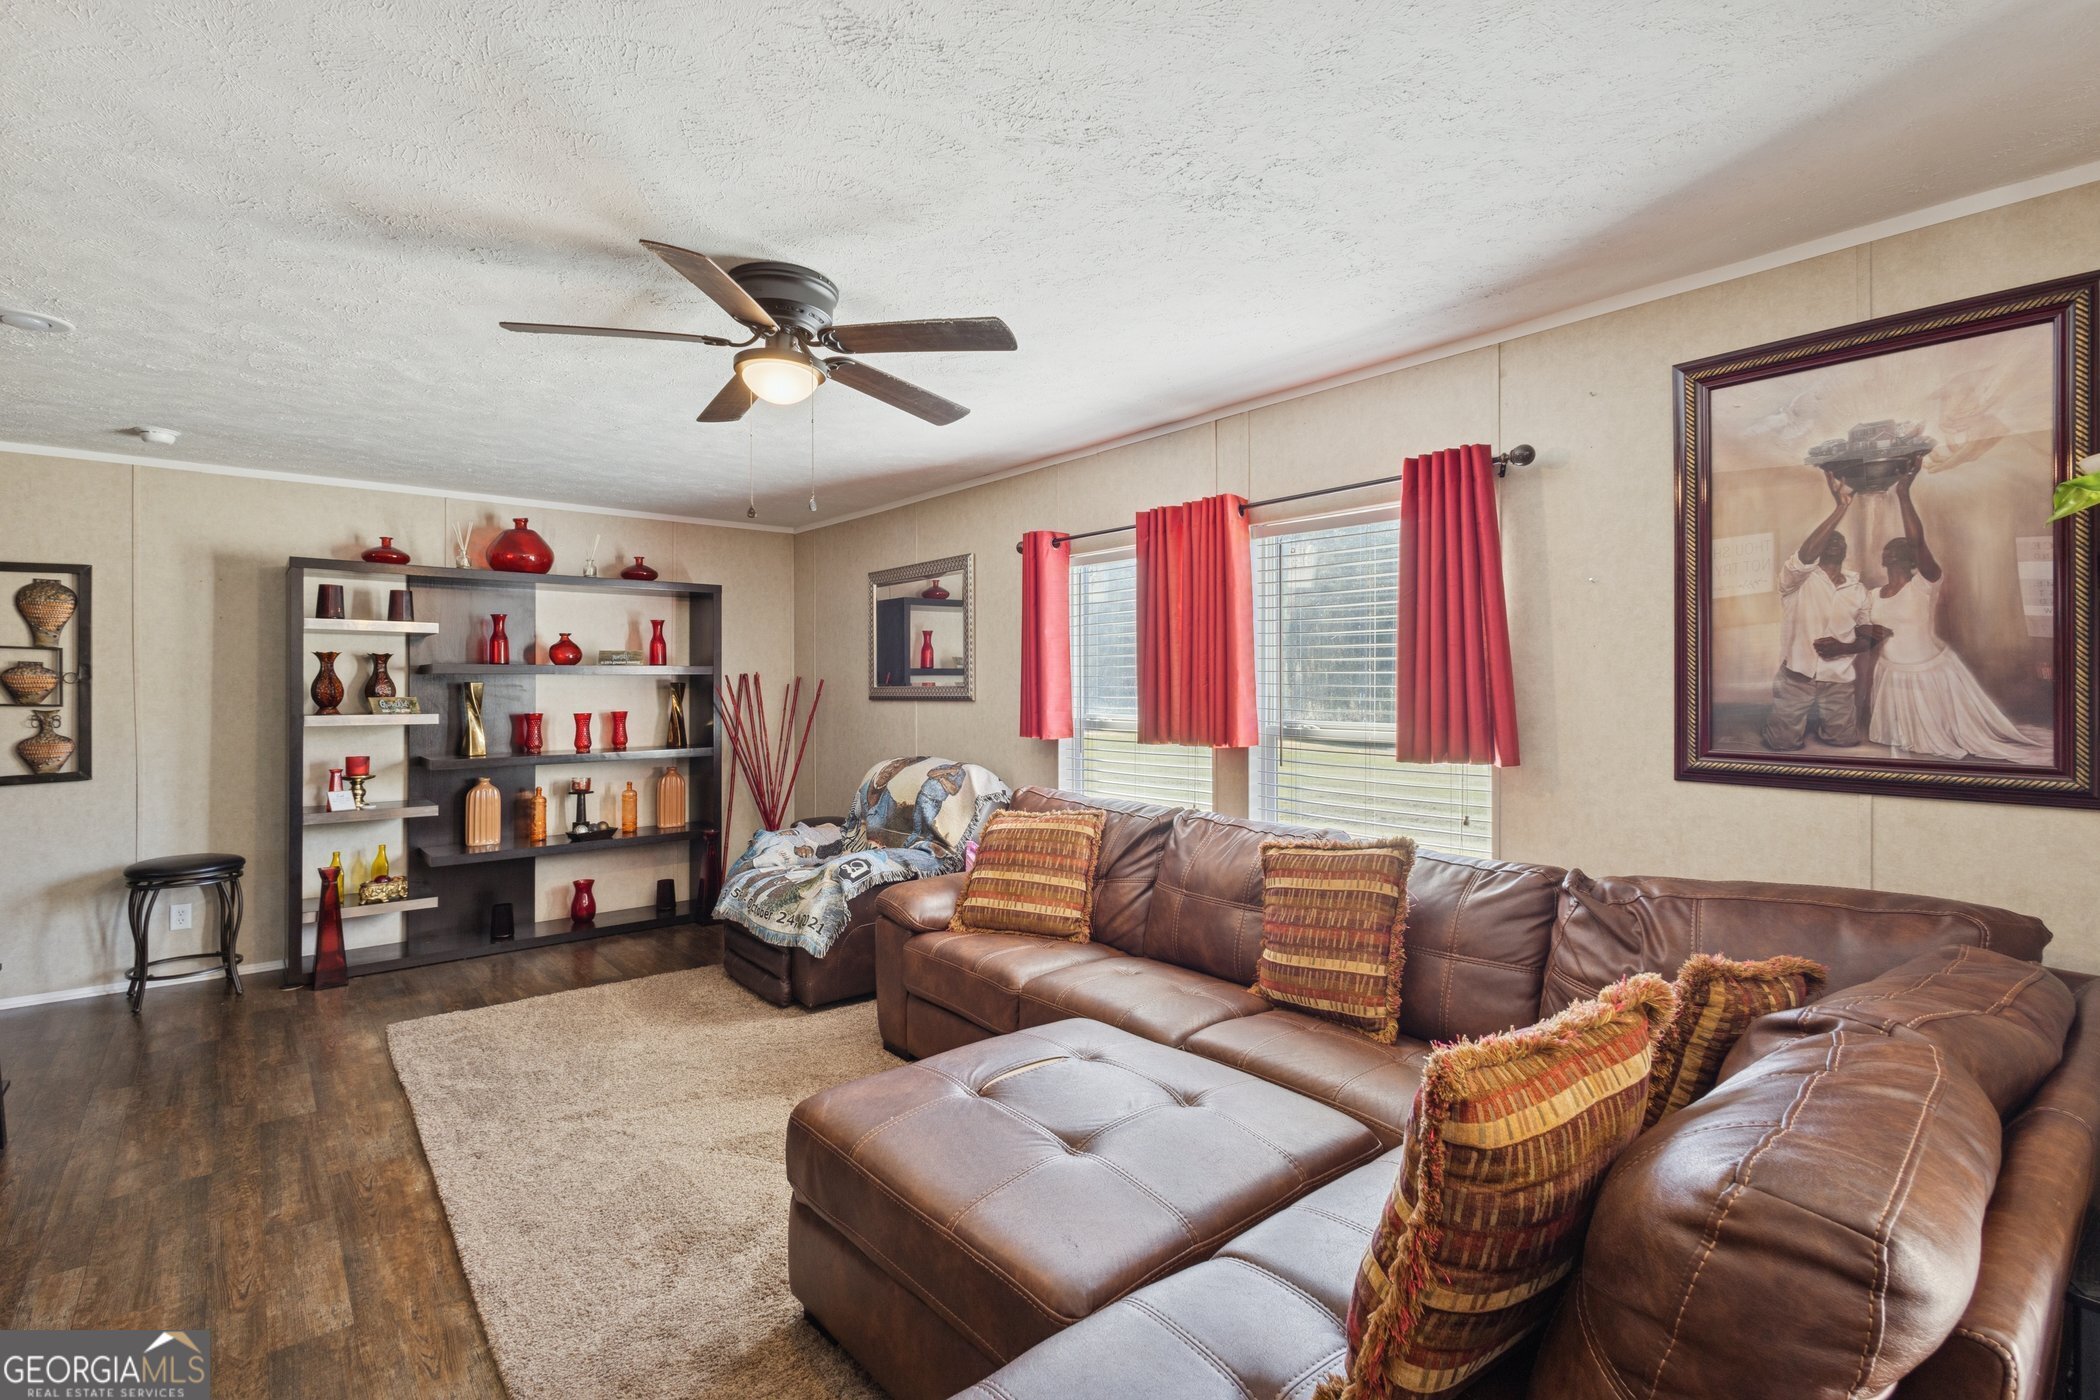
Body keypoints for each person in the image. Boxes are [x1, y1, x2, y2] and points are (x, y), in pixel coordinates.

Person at [1864, 461, 2047, 764]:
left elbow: (1918, 540)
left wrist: (1904, 495)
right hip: (1892, 674)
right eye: (1889, 548)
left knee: (1942, 742)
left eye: (1900, 548)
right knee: (1904, 748)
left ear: (1912, 558)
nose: (1891, 551)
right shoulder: (1873, 596)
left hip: (1928, 672)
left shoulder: (1924, 584)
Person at [1762, 474, 1881, 751]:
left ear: (1846, 550)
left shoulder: (1858, 589)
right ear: (1818, 548)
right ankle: (1780, 724)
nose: (1835, 543)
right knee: (1781, 744)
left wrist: (1844, 646)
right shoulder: (1796, 580)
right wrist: (1841, 507)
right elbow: (1805, 554)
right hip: (1797, 676)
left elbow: (1867, 637)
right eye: (1829, 540)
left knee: (1845, 742)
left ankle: (1829, 726)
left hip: (1838, 680)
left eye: (1840, 541)